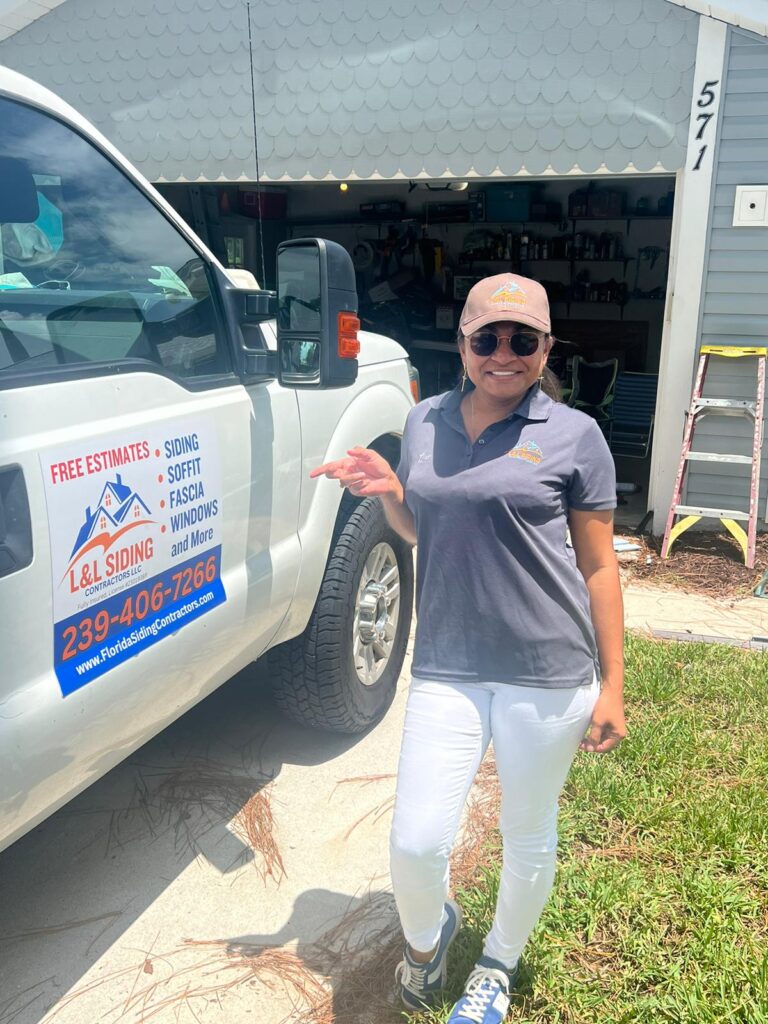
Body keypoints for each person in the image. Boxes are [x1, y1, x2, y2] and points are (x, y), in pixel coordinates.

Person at [310, 273, 626, 1024]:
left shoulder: (575, 435)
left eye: (523, 340)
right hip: (448, 663)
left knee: (527, 829)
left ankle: (496, 966)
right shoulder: (423, 422)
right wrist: (392, 491)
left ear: (546, 348)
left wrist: (612, 683)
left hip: (547, 673)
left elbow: (599, 565)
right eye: (488, 338)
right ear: (463, 346)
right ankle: (428, 941)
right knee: (417, 841)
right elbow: (424, 530)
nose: (504, 354)